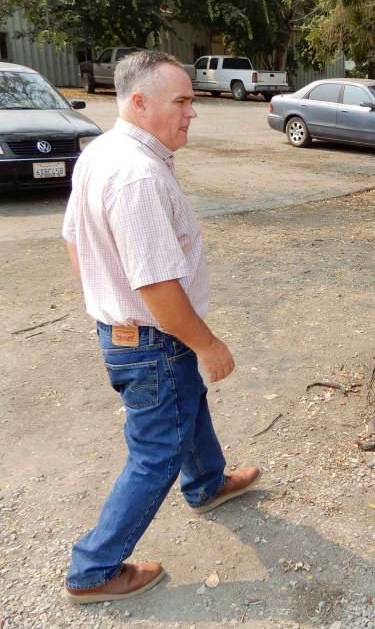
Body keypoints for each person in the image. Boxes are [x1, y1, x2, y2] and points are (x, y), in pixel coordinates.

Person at [61, 50, 260, 603]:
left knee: (186, 404)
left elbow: (76, 241)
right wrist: (207, 342)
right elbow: (155, 287)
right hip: (152, 339)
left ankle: (207, 483)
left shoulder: (102, 152)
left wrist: (105, 304)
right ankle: (94, 569)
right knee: (155, 452)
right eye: (183, 101)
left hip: (137, 336)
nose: (192, 112)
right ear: (140, 102)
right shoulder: (136, 175)